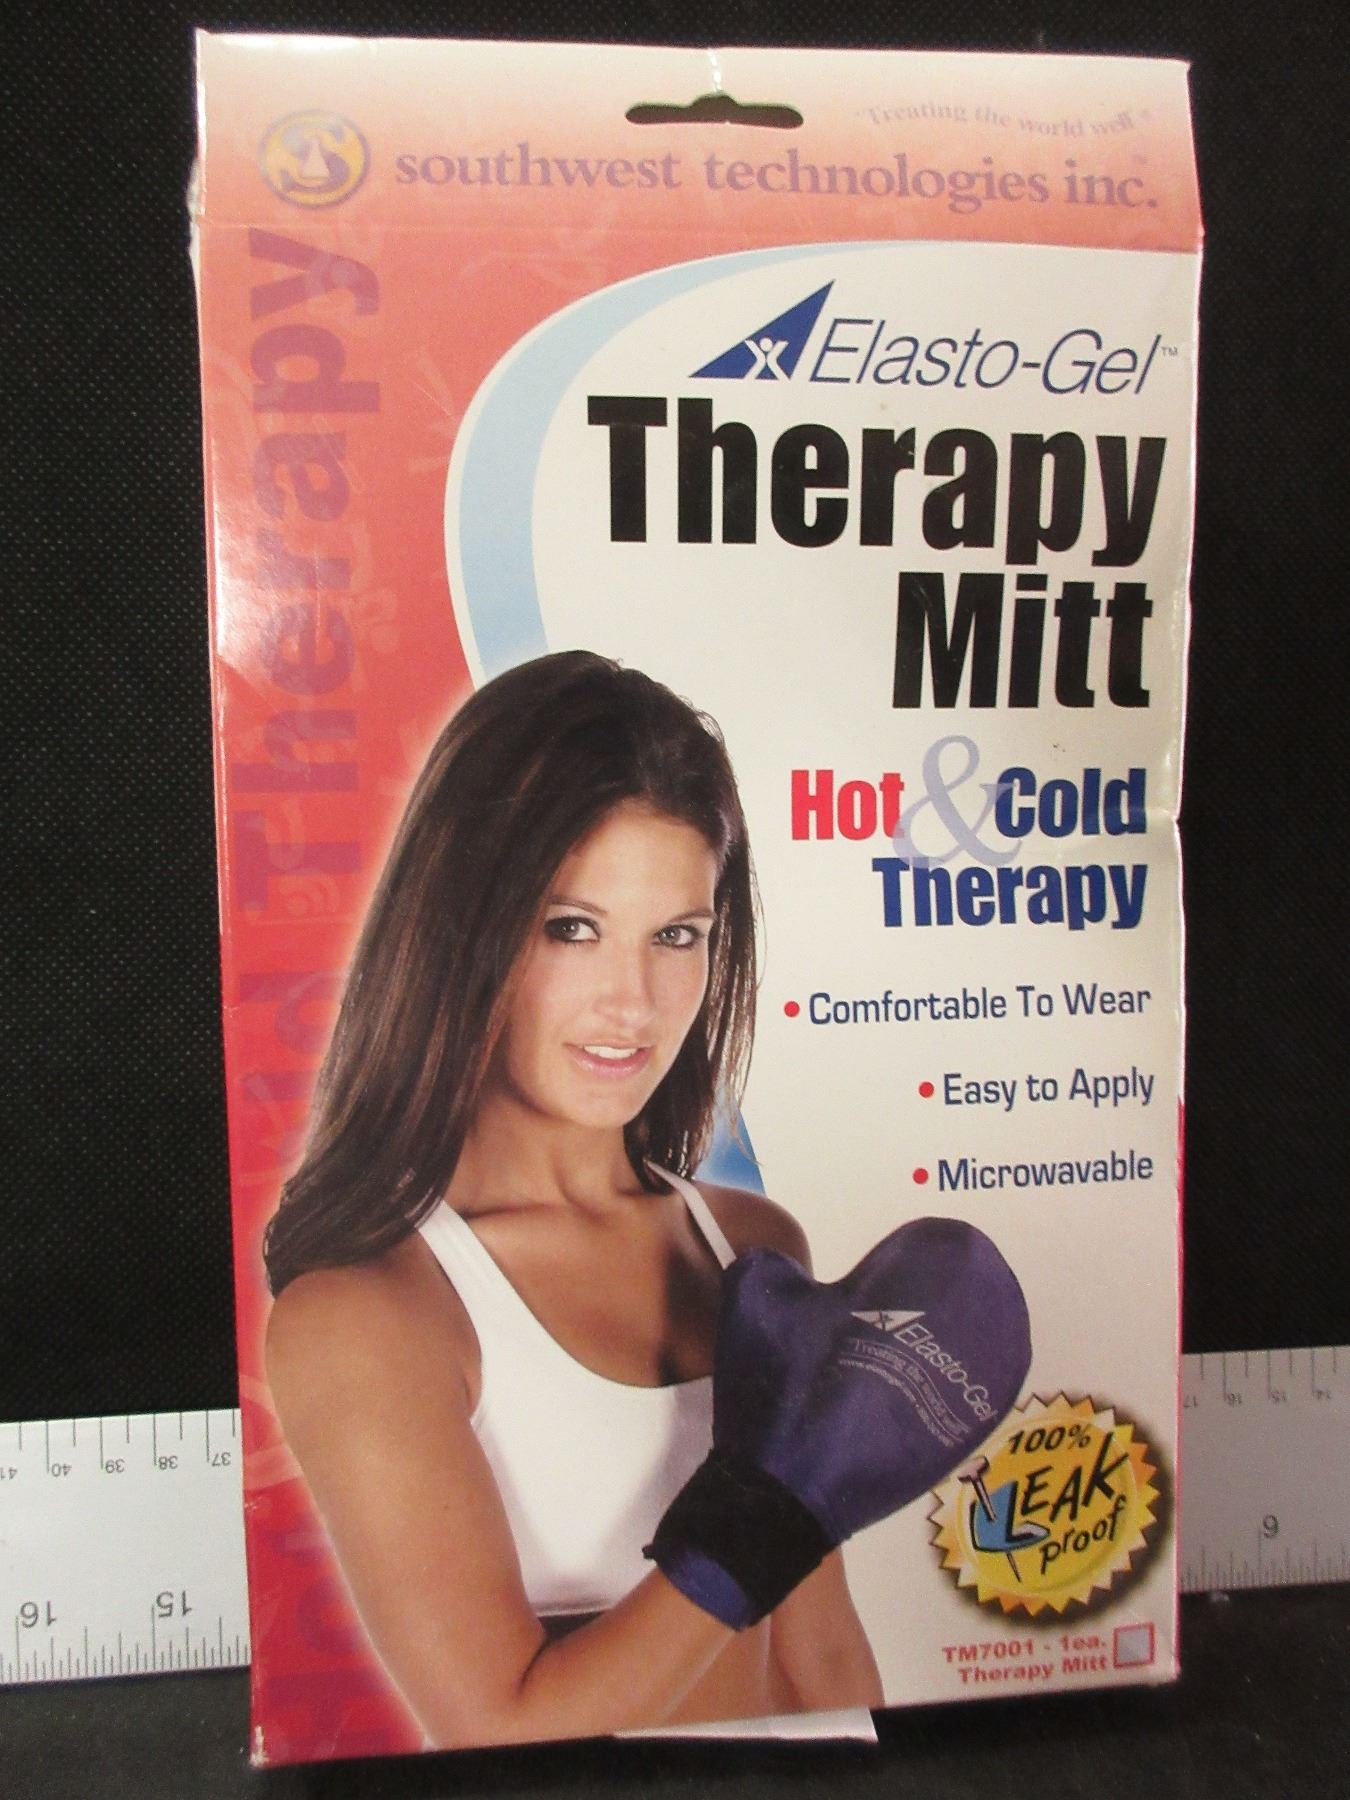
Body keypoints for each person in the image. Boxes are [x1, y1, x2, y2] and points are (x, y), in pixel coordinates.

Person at [263, 650, 884, 1749]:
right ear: (460, 930)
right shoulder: (370, 1315)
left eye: (676, 936)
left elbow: (824, 1658)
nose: (632, 1002)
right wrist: (769, 1513)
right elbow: (496, 1726)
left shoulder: (749, 1247)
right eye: (571, 928)